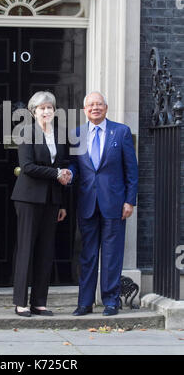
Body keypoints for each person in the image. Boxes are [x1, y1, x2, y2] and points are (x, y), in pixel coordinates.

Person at [59, 91, 138, 316]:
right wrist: (69, 174)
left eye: (99, 104)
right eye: (91, 105)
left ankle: (111, 301)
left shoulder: (120, 132)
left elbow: (131, 170)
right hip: (87, 203)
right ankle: (85, 303)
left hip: (114, 203)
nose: (95, 107)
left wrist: (129, 201)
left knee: (112, 254)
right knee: (87, 255)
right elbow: (74, 165)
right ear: (85, 110)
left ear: (106, 107)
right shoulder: (76, 134)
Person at [11, 91, 70, 317]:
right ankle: (20, 302)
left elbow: (63, 165)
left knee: (46, 250)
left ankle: (39, 302)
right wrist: (56, 173)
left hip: (52, 200)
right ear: (33, 111)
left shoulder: (59, 135)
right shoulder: (27, 132)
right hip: (28, 198)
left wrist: (62, 202)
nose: (46, 111)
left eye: (49, 108)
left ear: (54, 111)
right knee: (26, 249)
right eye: (41, 108)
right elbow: (27, 167)